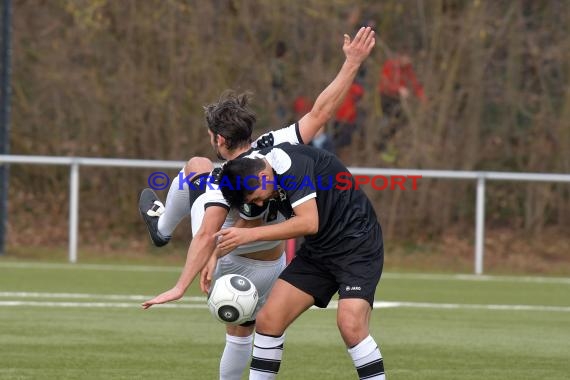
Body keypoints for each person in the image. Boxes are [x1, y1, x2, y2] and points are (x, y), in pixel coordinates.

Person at [140, 27, 377, 380]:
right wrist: (352, 63)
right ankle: (160, 227)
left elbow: (207, 235)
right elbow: (321, 112)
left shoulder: (225, 181)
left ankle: (160, 228)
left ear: (218, 138)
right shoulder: (275, 145)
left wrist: (180, 285)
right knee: (248, 330)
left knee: (197, 166)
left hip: (231, 256)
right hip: (273, 263)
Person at [215, 142, 385, 379]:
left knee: (350, 325)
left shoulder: (290, 164)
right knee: (268, 320)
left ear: (263, 176)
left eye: (256, 198)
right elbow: (242, 224)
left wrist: (248, 235)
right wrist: (210, 259)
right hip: (318, 251)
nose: (260, 205)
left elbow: (308, 223)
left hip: (357, 246)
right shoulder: (254, 169)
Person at [377, 52, 425, 151]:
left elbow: (414, 83)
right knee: (391, 118)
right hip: (386, 97)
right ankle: (381, 141)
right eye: (407, 58)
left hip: (396, 99)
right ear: (401, 56)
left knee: (402, 120)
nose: (408, 61)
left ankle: (386, 141)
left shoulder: (408, 69)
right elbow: (385, 83)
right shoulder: (391, 65)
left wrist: (422, 98)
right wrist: (398, 89)